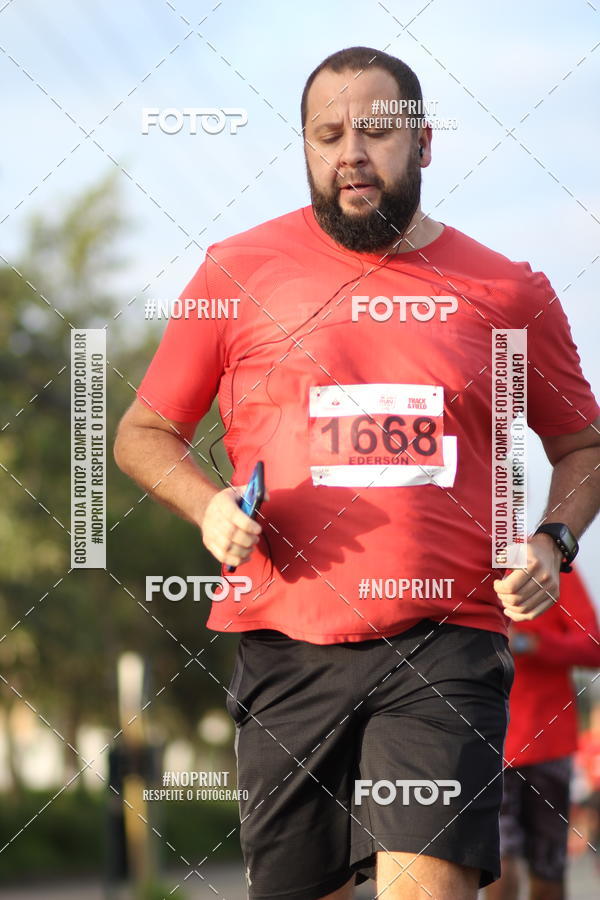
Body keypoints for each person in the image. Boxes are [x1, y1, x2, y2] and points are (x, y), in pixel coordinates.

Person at [113, 46, 600, 900]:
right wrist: (208, 505)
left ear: (425, 142)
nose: (352, 153)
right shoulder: (236, 272)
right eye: (328, 135)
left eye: (376, 130)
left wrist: (552, 541)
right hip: (285, 649)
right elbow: (144, 433)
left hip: (445, 643)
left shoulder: (506, 291)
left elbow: (584, 445)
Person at [485, 567, 600, 900]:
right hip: (486, 744)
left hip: (548, 744)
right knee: (497, 860)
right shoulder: (463, 558)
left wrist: (527, 642)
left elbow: (593, 647)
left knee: (548, 866)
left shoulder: (553, 566)